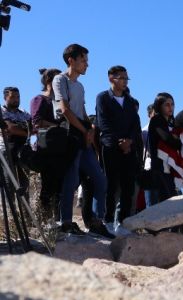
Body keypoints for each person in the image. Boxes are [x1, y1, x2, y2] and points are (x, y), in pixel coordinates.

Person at [52, 43, 111, 237]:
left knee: (100, 179)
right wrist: (83, 130)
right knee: (71, 180)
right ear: (72, 60)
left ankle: (97, 220)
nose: (87, 64)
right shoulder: (59, 80)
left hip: (83, 136)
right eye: (83, 60)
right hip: (70, 135)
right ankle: (66, 222)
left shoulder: (80, 85)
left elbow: (82, 112)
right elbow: (65, 110)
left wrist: (90, 128)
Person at [95, 65, 142, 230]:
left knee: (128, 186)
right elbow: (103, 124)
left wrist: (128, 141)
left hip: (128, 150)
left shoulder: (130, 101)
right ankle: (107, 221)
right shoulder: (102, 98)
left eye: (126, 78)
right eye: (121, 78)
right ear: (111, 78)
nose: (124, 81)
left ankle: (122, 222)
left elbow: (135, 125)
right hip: (110, 148)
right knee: (111, 185)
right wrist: (119, 142)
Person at [30, 68, 65, 221]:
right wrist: (57, 126)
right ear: (50, 80)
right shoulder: (39, 99)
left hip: (60, 146)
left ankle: (57, 220)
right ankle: (45, 220)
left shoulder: (59, 101)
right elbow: (37, 121)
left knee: (60, 185)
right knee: (48, 184)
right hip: (46, 145)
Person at [148, 92, 183, 203]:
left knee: (171, 197)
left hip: (169, 167)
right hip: (160, 167)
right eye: (167, 104)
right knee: (165, 200)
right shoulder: (157, 120)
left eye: (172, 104)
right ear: (159, 106)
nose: (171, 107)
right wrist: (178, 140)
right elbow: (168, 140)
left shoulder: (171, 122)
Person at [1, 86, 31, 195]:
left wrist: (21, 129)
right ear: (5, 98)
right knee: (10, 182)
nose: (16, 99)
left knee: (25, 183)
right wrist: (25, 129)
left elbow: (34, 128)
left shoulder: (23, 113)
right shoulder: (2, 111)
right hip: (6, 149)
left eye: (18, 97)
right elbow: (10, 128)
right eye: (12, 97)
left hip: (23, 149)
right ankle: (11, 210)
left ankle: (25, 209)